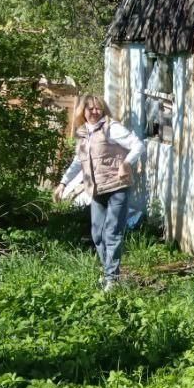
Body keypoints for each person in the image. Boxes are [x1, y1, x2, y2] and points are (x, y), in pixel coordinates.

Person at [54, 94, 142, 290]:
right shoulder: (84, 133)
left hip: (117, 187)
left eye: (98, 108)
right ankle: (109, 273)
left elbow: (138, 145)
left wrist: (127, 163)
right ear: (83, 111)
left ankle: (112, 279)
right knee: (97, 235)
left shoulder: (111, 128)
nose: (94, 112)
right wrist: (63, 184)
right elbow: (78, 162)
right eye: (90, 108)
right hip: (96, 189)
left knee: (111, 233)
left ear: (103, 110)